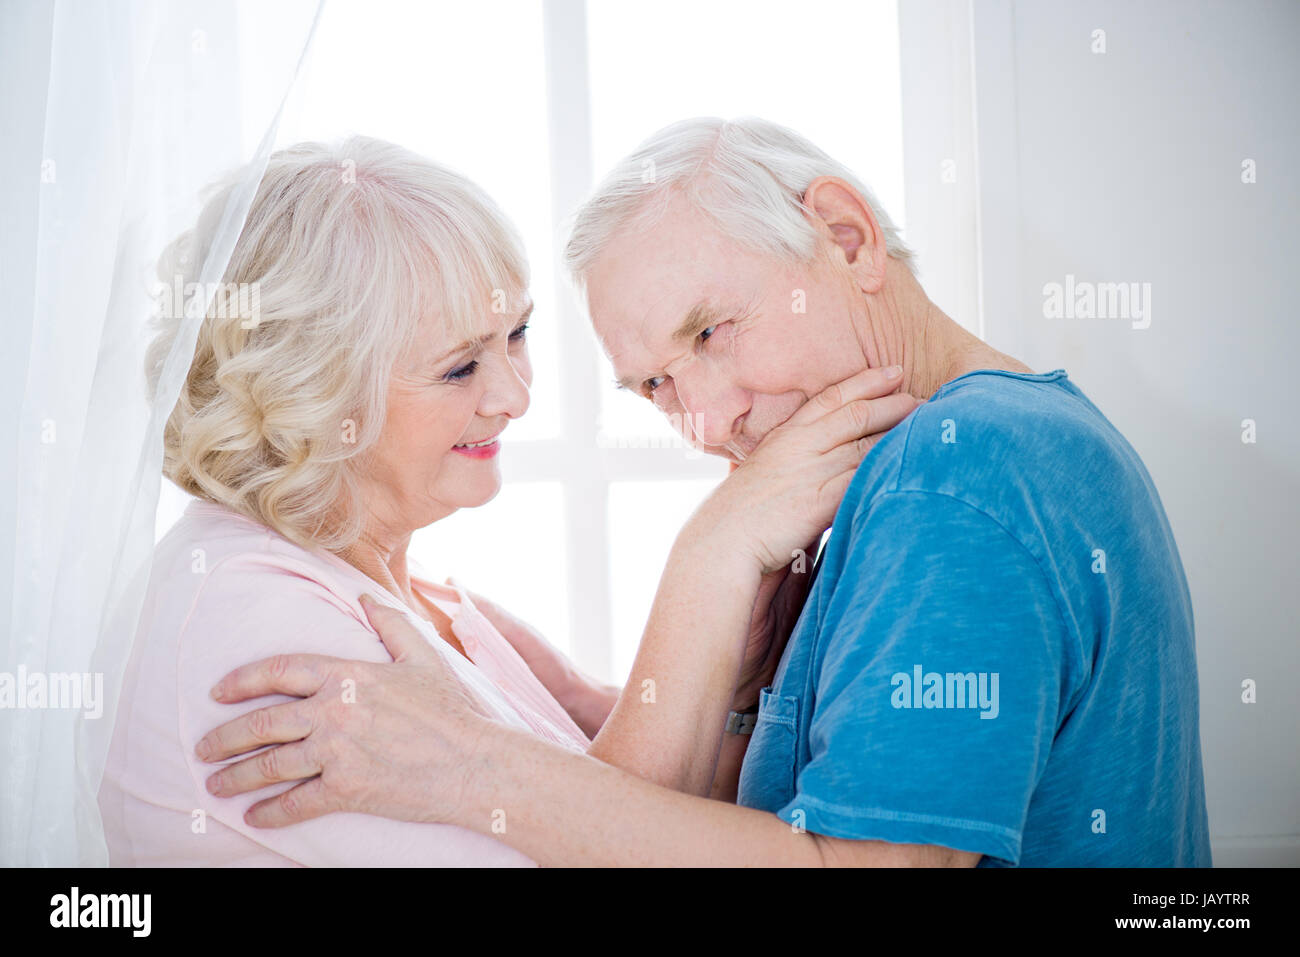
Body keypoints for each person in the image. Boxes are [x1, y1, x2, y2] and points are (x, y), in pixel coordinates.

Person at [196, 117, 1211, 867]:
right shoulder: (958, 455)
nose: (706, 421)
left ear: (846, 239)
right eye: (657, 388)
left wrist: (474, 767)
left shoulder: (955, 470)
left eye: (711, 333)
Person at [100, 133, 911, 866]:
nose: (516, 397)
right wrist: (712, 556)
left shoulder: (426, 600)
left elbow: (646, 821)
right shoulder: (250, 627)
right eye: (460, 368)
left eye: (516, 336)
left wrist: (735, 683)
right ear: (312, 394)